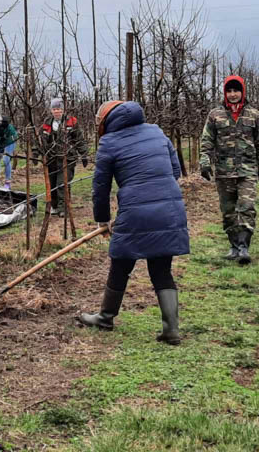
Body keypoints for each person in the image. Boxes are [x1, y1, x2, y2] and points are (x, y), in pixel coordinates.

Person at [79, 100, 189, 345]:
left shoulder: (108, 142)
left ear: (106, 121)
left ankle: (106, 317)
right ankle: (171, 329)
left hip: (136, 212)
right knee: (161, 269)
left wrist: (102, 220)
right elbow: (175, 171)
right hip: (170, 208)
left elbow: (100, 186)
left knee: (120, 264)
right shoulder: (157, 131)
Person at [200, 75, 259, 265]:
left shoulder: (254, 115)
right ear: (225, 92)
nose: (232, 94)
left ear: (242, 92)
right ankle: (233, 246)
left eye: (236, 90)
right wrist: (205, 163)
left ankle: (244, 246)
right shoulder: (215, 115)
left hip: (247, 171)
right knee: (228, 211)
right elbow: (207, 141)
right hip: (224, 172)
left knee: (247, 208)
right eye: (229, 91)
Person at [34, 98, 89, 216]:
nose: (56, 111)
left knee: (62, 183)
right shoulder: (47, 123)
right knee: (52, 184)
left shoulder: (71, 122)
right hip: (51, 159)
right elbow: (39, 140)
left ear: (63, 110)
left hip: (67, 158)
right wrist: (35, 153)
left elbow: (79, 139)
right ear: (51, 110)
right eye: (54, 109)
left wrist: (84, 154)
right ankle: (54, 206)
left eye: (58, 109)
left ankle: (63, 208)